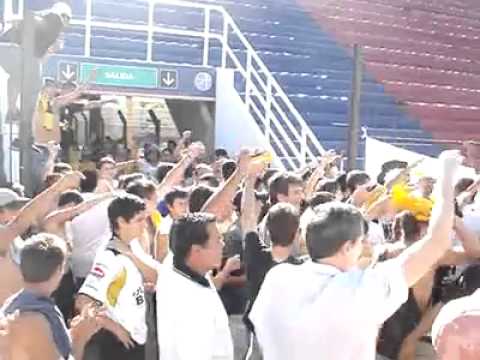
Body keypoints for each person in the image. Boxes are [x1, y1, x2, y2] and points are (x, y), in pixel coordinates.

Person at [249, 150, 460, 360]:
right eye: (361, 241)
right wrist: (447, 174)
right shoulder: (361, 288)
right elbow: (437, 242)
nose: (366, 246)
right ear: (348, 246)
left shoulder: (278, 278)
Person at [1, 233, 101, 360]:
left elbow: (43, 348)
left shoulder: (13, 304)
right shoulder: (37, 318)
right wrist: (81, 337)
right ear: (59, 269)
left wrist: (73, 332)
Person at [76, 195, 151, 360]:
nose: (145, 225)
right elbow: (83, 301)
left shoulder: (132, 245)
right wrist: (115, 328)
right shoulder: (109, 256)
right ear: (121, 222)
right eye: (139, 220)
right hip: (120, 343)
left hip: (138, 335)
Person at [156, 213, 233, 360]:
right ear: (196, 250)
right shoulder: (189, 301)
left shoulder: (177, 265)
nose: (223, 244)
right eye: (218, 240)